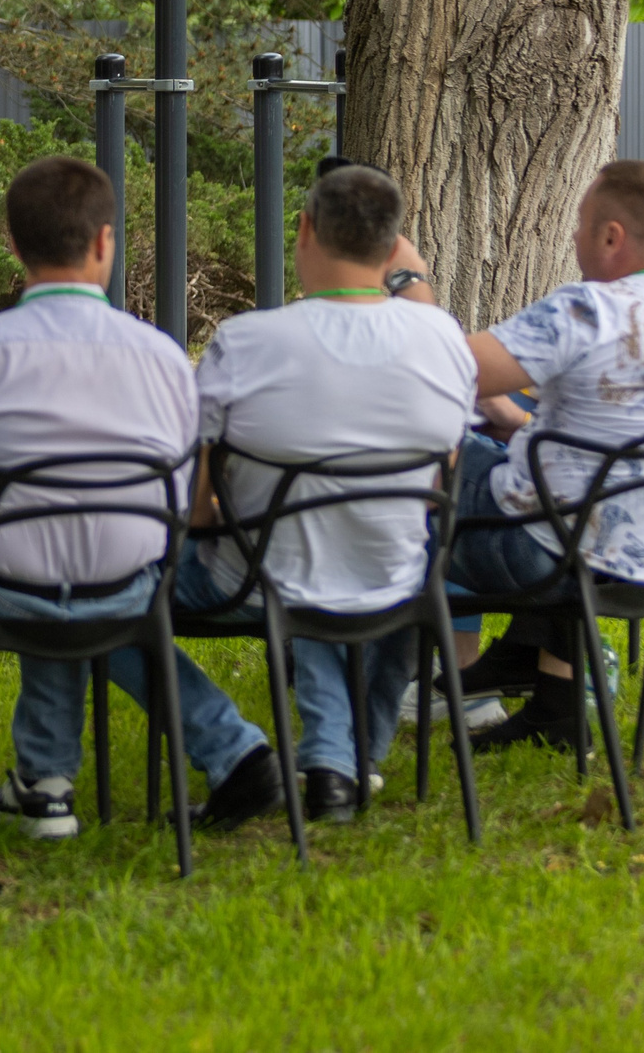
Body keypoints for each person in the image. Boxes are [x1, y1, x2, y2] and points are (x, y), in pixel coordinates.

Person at [0, 157, 284, 852]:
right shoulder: (166, 358)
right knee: (73, 552)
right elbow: (174, 499)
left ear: (12, 246)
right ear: (106, 242)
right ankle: (47, 783)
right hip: (123, 589)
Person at [405, 159, 644, 752]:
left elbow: (438, 370)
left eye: (580, 224)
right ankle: (556, 712)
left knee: (413, 448)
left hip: (542, 557)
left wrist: (408, 287)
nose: (572, 238)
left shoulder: (587, 309)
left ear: (612, 236)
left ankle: (354, 694)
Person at [185, 162, 477, 822]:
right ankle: (344, 764)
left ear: (304, 229)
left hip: (253, 576)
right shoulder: (443, 340)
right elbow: (447, 466)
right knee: (339, 555)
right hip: (397, 568)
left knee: (131, 590)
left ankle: (305, 760)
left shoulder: (247, 341)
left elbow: (200, 482)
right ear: (393, 245)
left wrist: (200, 525)